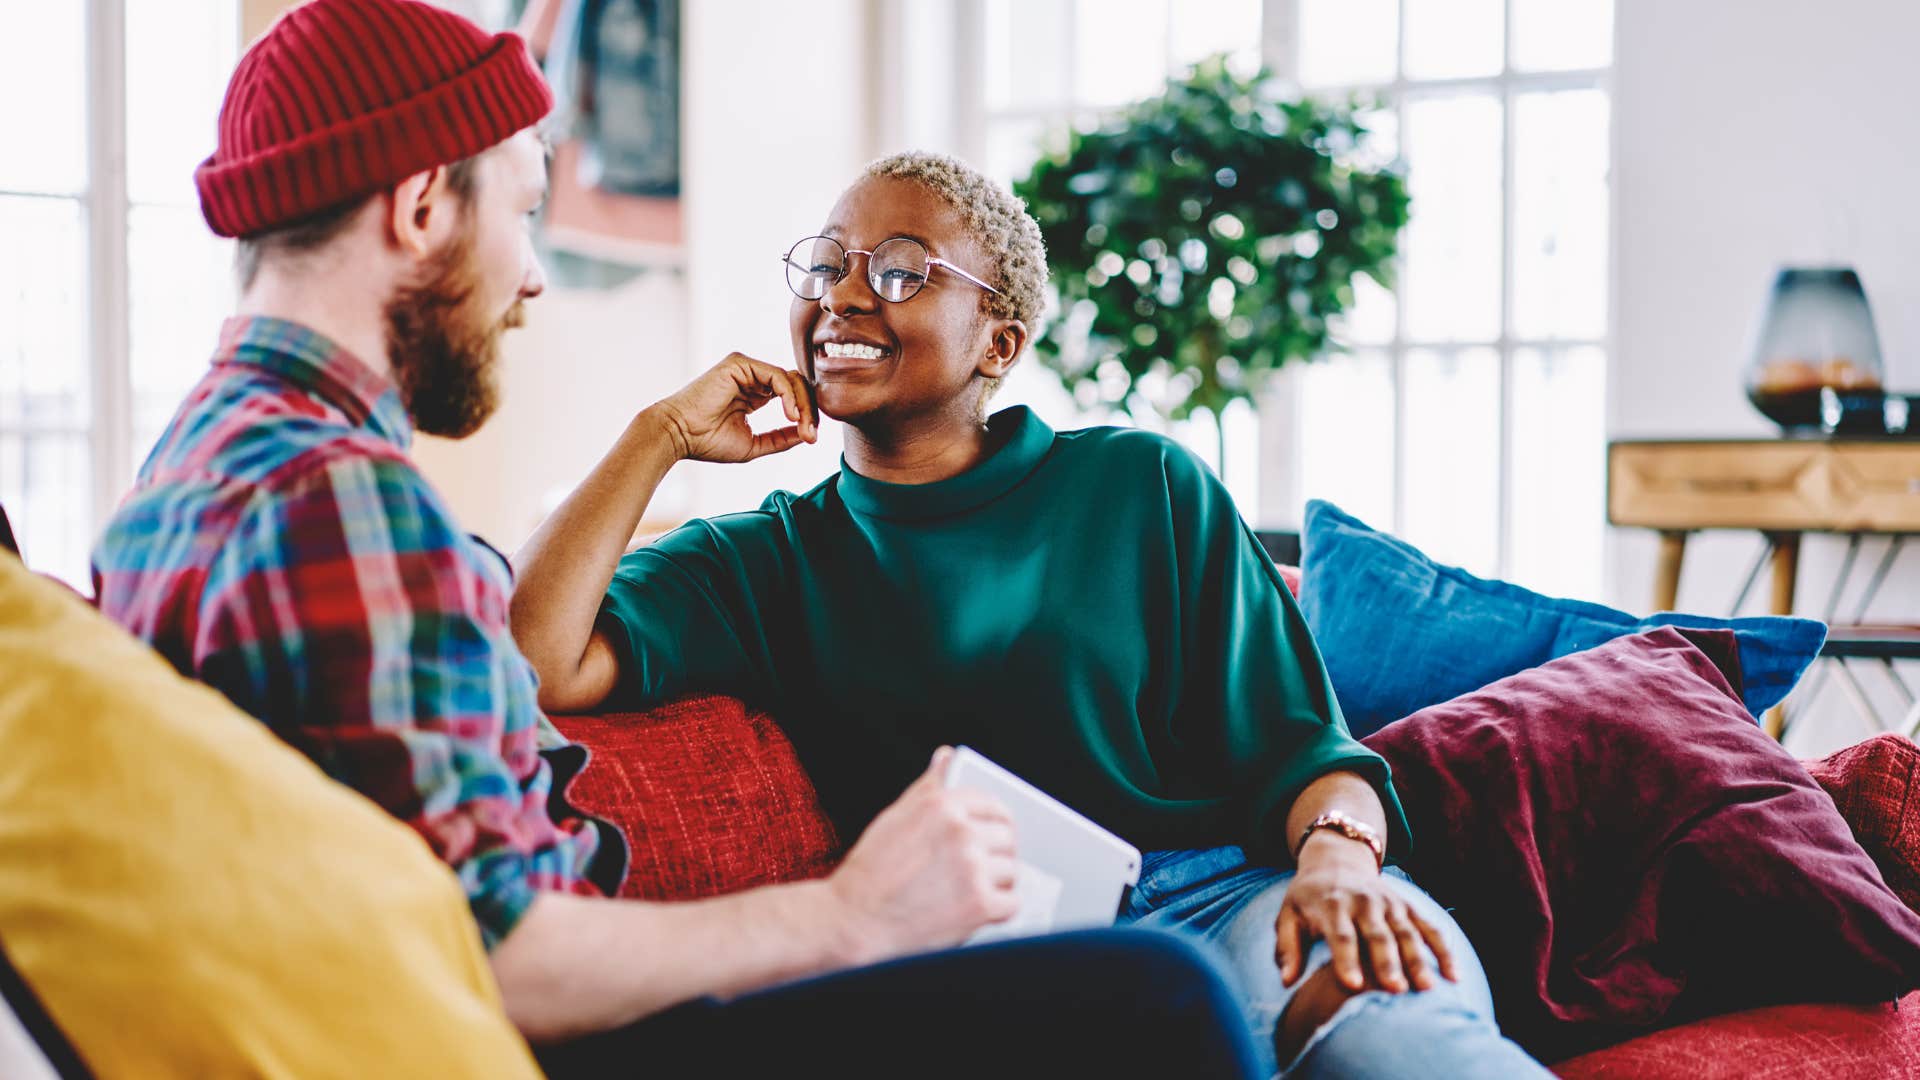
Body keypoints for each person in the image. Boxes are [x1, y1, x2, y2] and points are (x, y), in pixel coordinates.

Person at [90, 2, 1265, 1076]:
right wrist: (853, 914)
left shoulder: (186, 469)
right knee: (1161, 999)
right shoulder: (345, 503)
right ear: (419, 207)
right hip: (553, 1033)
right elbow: (501, 958)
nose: (535, 278)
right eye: (525, 212)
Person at [511, 150, 1556, 1078]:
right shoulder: (769, 557)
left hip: (1242, 895)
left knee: (1384, 1037)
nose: (845, 297)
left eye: (903, 271)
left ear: (997, 343)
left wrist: (1336, 862)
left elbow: (1312, 751)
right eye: (829, 265)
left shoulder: (1140, 485)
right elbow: (536, 658)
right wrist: (656, 437)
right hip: (1028, 956)